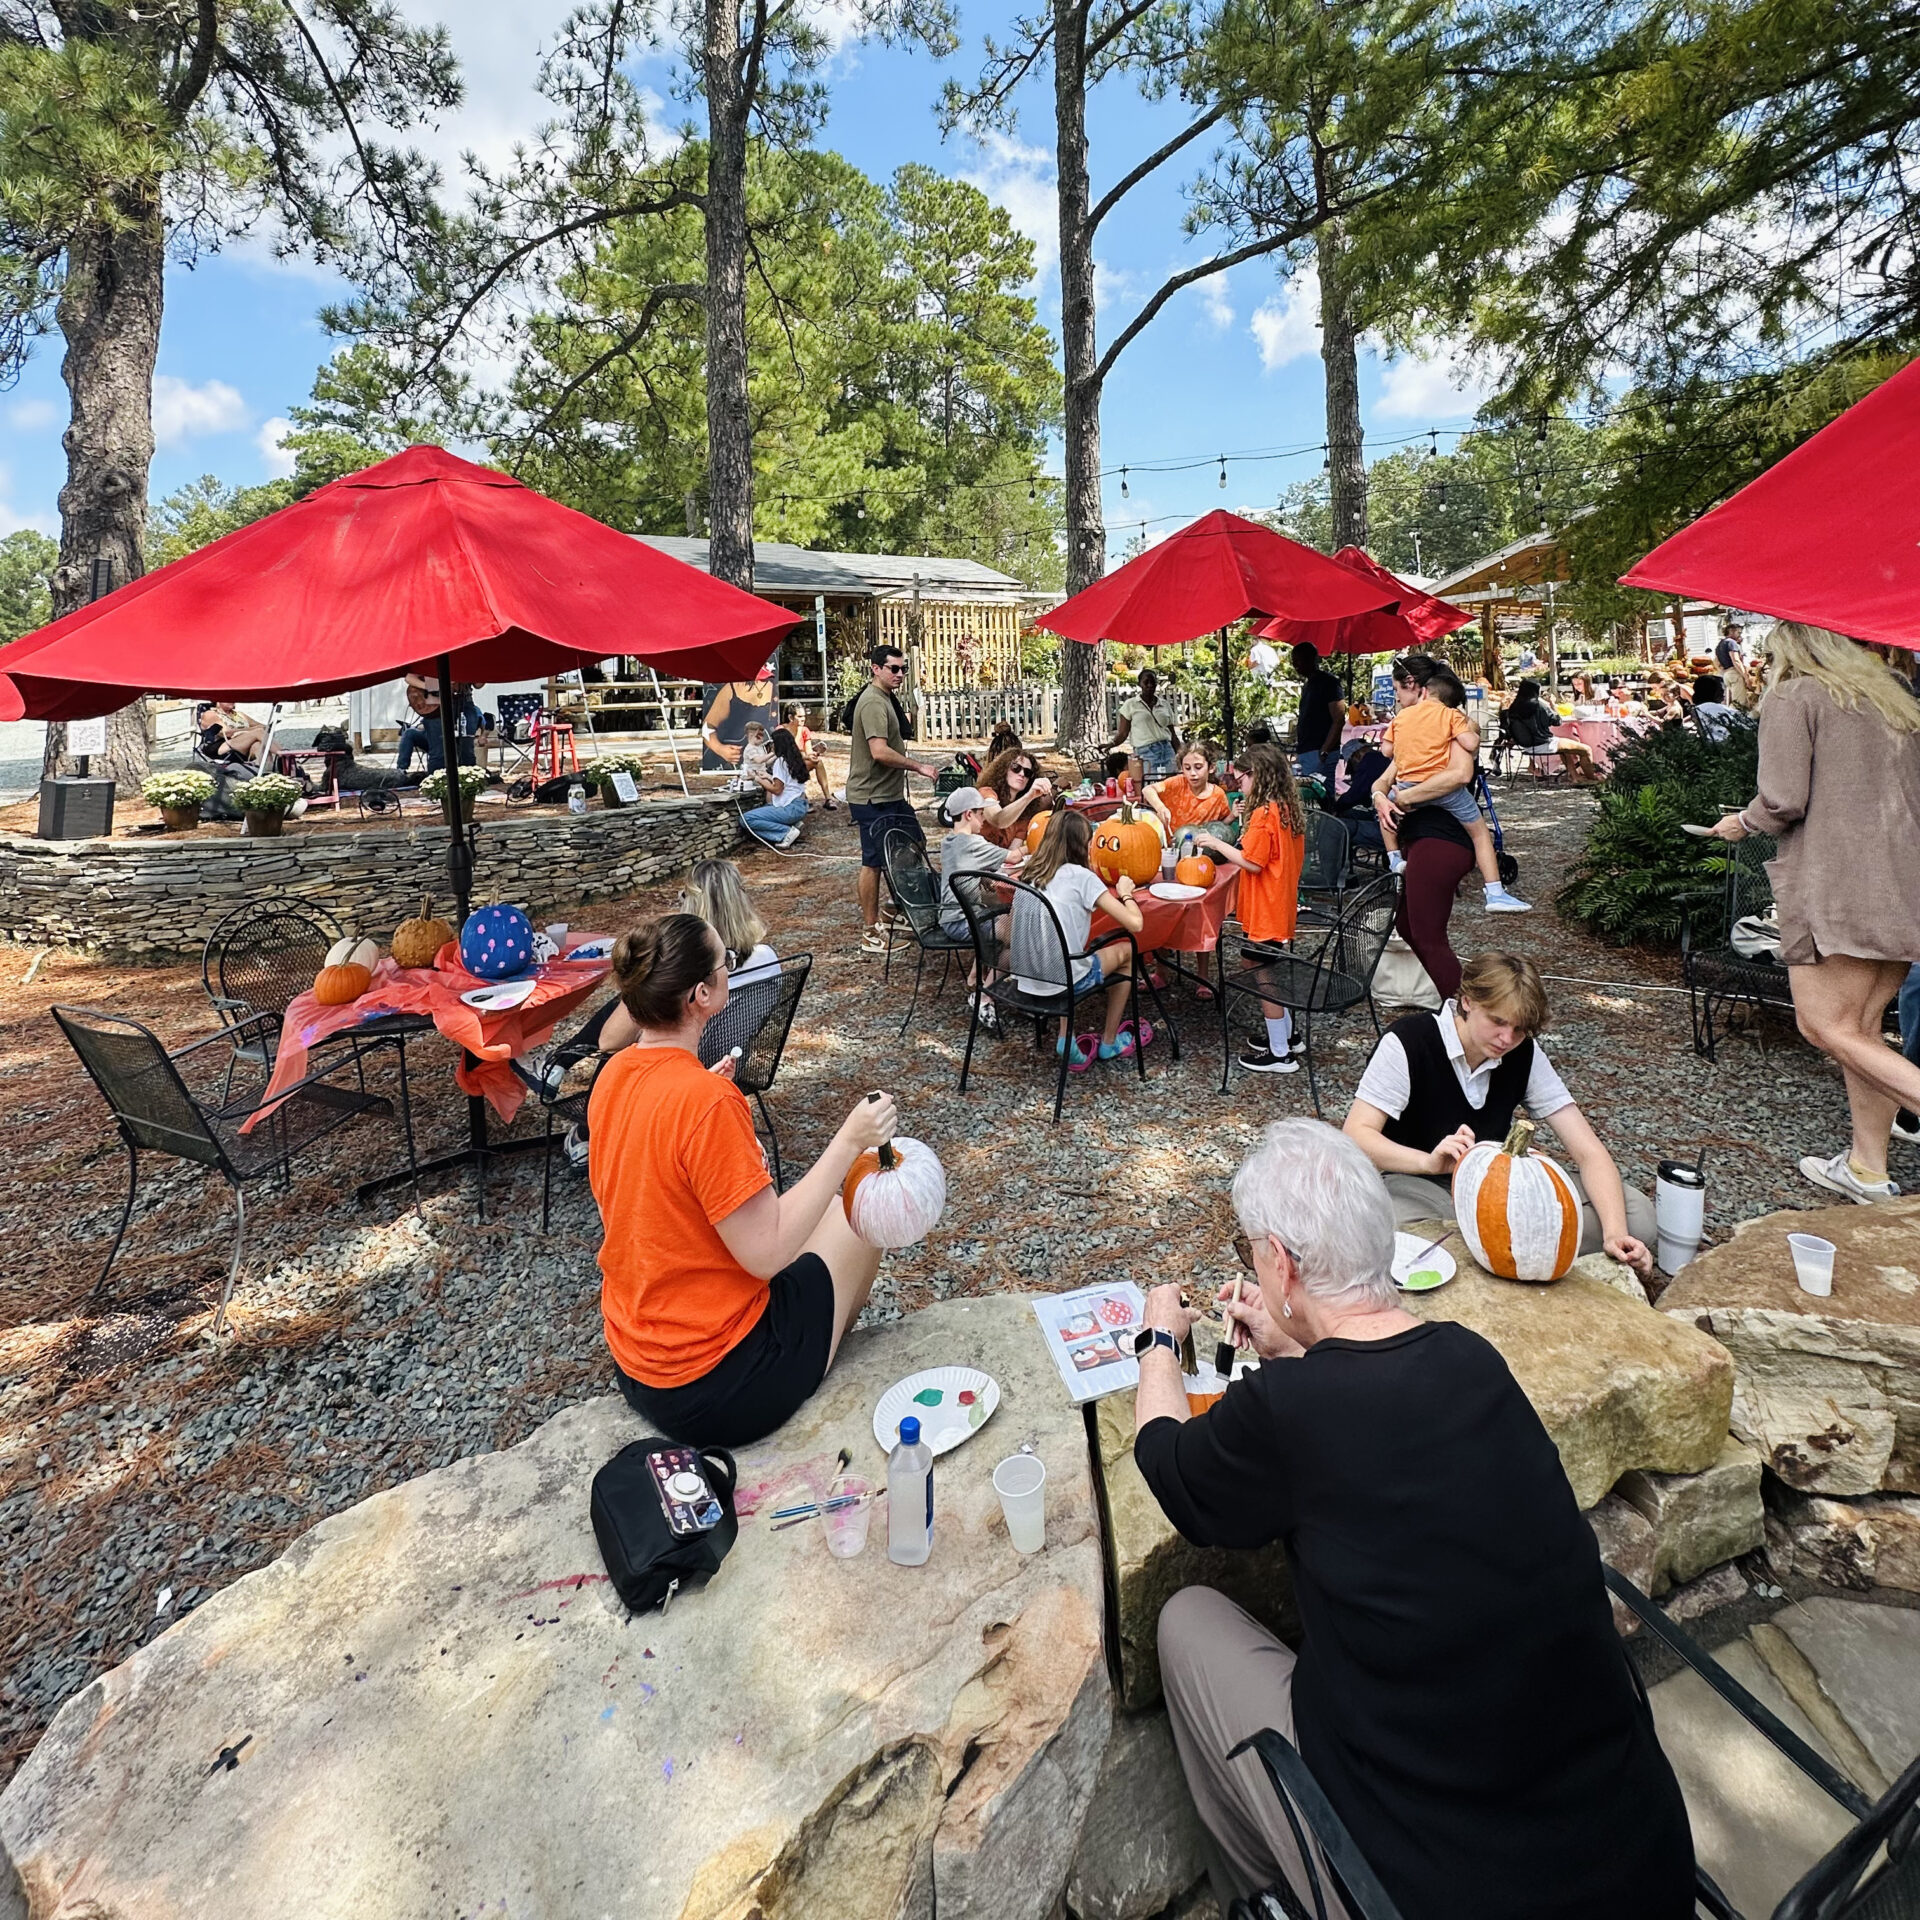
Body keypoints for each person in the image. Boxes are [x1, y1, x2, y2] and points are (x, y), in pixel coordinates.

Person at [1135, 1118, 1695, 1920]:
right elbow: (1377, 1414)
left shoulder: (1289, 1413)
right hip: (1635, 1853)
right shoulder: (1473, 1358)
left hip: (1433, 1882)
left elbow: (1168, 1464)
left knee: (1187, 1621)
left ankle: (1271, 1897)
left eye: (1254, 1248)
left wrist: (1157, 1339)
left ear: (1281, 1264)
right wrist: (1297, 1345)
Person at [589, 913, 901, 1447]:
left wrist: (707, 1115)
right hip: (722, 1382)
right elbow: (768, 1254)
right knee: (861, 1198)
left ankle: (815, 1339)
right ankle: (820, 1356)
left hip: (640, 1365)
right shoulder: (706, 1104)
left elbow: (652, 1197)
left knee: (827, 1211)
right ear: (701, 994)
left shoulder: (614, 1076)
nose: (732, 969)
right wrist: (849, 1141)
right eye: (725, 963)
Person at [1708, 621, 1920, 1202]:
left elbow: (1783, 797)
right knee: (1864, 1031)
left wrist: (1741, 823)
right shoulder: (1892, 697)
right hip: (1902, 886)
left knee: (1823, 1025)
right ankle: (1866, 1169)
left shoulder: (1794, 696)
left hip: (1837, 886)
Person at [1343, 950, 1657, 1271]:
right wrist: (1427, 1161)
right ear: (1467, 1001)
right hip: (1417, 1183)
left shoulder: (1524, 1055)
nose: (1507, 1039)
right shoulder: (1409, 1042)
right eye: (1498, 1021)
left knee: (1637, 1216)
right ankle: (1516, 1248)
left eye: (1520, 1030)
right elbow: (1355, 1135)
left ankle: (1492, 1250)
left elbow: (1589, 1152)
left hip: (1497, 1190)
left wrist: (1615, 1233)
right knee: (1390, 1227)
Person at [1191, 742, 1309, 1075]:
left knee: (1262, 971)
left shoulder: (1264, 814)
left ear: (1257, 775)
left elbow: (1253, 862)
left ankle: (1280, 1052)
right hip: (1280, 902)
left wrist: (1216, 843)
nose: (1238, 784)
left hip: (1266, 906)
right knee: (1256, 961)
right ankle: (1286, 1034)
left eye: (1240, 777)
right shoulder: (1284, 808)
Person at [1374, 667, 1532, 911]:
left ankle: (1394, 859)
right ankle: (1495, 892)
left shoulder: (1402, 718)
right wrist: (1472, 737)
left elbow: (1386, 751)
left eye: (1397, 690)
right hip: (1444, 790)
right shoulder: (1451, 716)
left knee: (1385, 815)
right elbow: (1469, 743)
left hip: (1407, 784)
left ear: (1422, 691)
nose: (1396, 696)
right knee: (1480, 833)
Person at [1010, 810, 1147, 1067]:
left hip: (1028, 980)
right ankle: (1108, 1042)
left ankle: (1067, 1036)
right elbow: (1135, 924)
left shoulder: (1029, 873)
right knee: (1127, 949)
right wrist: (1125, 893)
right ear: (1081, 845)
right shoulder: (1082, 877)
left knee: (1066, 950)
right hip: (1063, 983)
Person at [847, 644, 941, 955]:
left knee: (913, 843)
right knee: (873, 862)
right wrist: (918, 766)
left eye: (903, 668)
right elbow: (879, 751)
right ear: (876, 669)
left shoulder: (886, 698)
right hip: (872, 797)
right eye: (894, 668)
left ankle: (894, 908)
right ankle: (871, 932)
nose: (900, 674)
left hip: (889, 796)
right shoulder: (873, 702)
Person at [938, 785, 1017, 1026]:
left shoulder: (949, 841)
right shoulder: (971, 842)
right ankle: (985, 994)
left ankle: (977, 976)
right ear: (968, 814)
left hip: (953, 915)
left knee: (1010, 924)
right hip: (962, 921)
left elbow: (965, 873)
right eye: (981, 814)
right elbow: (1013, 857)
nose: (984, 819)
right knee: (1021, 936)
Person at [738, 726, 811, 848]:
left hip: (790, 808)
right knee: (767, 807)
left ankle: (785, 832)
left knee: (745, 819)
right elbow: (788, 783)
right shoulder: (795, 759)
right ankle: (792, 825)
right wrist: (768, 776)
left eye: (773, 743)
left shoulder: (780, 762)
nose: (772, 746)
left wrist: (757, 779)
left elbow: (777, 790)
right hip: (801, 806)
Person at [1146, 742, 1232, 839]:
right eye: (1187, 768)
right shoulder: (1177, 783)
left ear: (1211, 767)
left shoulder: (1218, 795)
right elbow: (1148, 790)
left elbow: (1220, 826)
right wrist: (1160, 808)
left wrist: (1233, 816)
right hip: (1170, 848)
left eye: (1198, 767)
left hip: (1200, 851)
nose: (1192, 773)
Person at [1107, 668, 1179, 783]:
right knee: (1150, 786)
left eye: (1153, 682)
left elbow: (1172, 734)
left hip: (1166, 749)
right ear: (1139, 684)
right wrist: (1111, 744)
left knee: (1171, 784)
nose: (1150, 685)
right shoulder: (1130, 705)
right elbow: (1123, 733)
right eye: (1146, 682)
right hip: (1146, 752)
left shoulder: (1164, 704)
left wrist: (1181, 753)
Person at [976, 745, 1055, 848]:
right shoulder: (986, 793)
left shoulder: (1025, 813)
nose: (1022, 774)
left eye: (1027, 772)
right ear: (1003, 769)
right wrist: (1028, 796)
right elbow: (998, 820)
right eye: (1016, 768)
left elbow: (1012, 852)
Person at [1289, 643, 1345, 781]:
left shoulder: (1328, 682)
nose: (1295, 664)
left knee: (1318, 796)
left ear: (1311, 659)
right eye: (1293, 660)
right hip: (1308, 751)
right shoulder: (1309, 684)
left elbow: (1339, 719)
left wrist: (1325, 751)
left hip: (1320, 751)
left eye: (1299, 660)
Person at [784, 702, 837, 811]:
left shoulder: (804, 730)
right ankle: (801, 799)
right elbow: (785, 753)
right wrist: (805, 756)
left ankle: (828, 797)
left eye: (804, 716)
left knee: (818, 762)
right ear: (790, 717)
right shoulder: (782, 730)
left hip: (800, 761)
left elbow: (808, 752)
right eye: (799, 716)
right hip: (785, 765)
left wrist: (815, 753)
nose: (803, 719)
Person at [193, 699, 265, 767]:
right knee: (259, 732)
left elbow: (261, 726)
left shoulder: (239, 714)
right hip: (223, 746)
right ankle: (276, 754)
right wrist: (252, 730)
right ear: (218, 700)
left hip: (243, 745)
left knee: (258, 745)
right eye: (228, 698)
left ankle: (264, 771)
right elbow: (227, 732)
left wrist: (248, 731)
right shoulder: (211, 714)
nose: (233, 700)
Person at [1691, 674, 1743, 743]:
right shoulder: (1711, 708)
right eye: (1720, 690)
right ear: (1711, 691)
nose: (1723, 694)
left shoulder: (1699, 708)